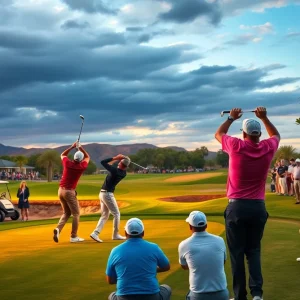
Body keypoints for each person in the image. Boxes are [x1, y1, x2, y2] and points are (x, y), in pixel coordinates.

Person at [215, 107, 280, 300]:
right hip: (258, 207)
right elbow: (275, 134)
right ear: (259, 134)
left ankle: (240, 296)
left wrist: (231, 118)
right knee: (253, 251)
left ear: (243, 133)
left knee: (237, 254)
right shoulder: (268, 147)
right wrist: (264, 117)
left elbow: (219, 133)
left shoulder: (236, 145)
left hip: (236, 207)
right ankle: (257, 294)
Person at [106, 217, 172, 300]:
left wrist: (126, 276)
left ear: (126, 233)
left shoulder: (115, 250)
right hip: (151, 296)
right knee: (166, 288)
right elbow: (166, 267)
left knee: (111, 296)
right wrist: (150, 270)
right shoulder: (154, 247)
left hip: (124, 297)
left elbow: (110, 280)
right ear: (143, 233)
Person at [178, 211, 229, 300]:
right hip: (222, 294)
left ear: (190, 226)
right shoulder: (220, 240)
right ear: (206, 225)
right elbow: (223, 262)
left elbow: (184, 266)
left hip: (198, 295)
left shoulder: (184, 245)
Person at [53, 141, 90, 243]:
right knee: (76, 214)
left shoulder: (67, 163)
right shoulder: (82, 167)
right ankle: (74, 236)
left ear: (74, 157)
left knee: (66, 213)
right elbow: (88, 157)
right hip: (69, 192)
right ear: (81, 160)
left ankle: (58, 229)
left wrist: (72, 147)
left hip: (60, 191)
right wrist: (80, 147)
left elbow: (63, 155)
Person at [90, 154, 130, 242]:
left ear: (120, 163)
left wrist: (116, 157)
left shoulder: (115, 171)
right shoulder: (123, 173)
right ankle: (115, 235)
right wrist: (120, 159)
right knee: (116, 214)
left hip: (102, 193)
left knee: (106, 215)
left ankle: (95, 233)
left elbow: (103, 162)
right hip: (107, 194)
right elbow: (111, 165)